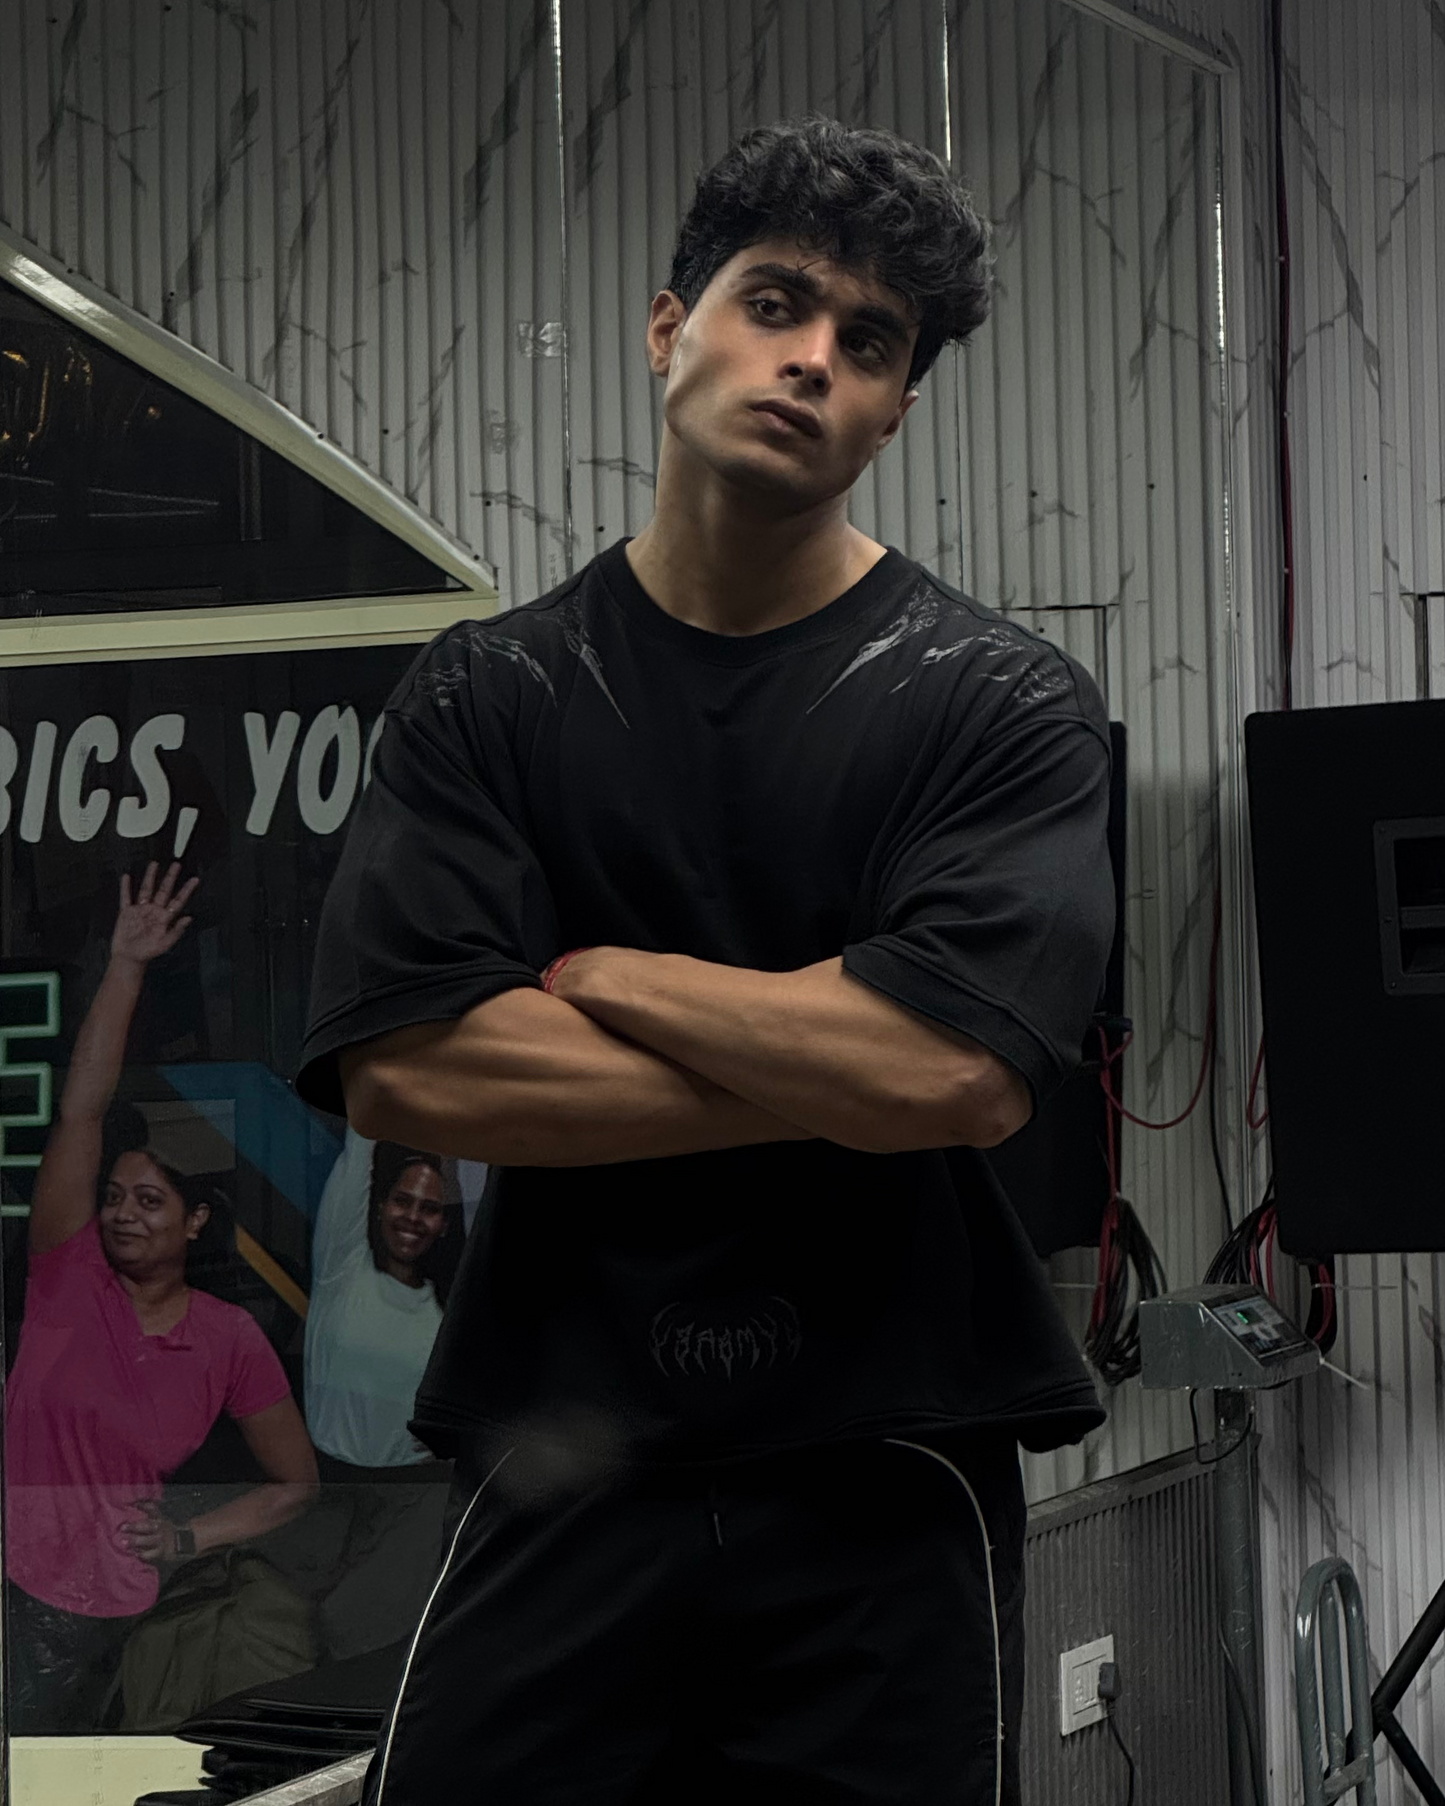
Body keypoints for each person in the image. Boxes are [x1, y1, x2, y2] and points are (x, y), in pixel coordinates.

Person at [297, 116, 1115, 1805]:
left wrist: (613, 978)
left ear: (896, 406)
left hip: (885, 1466)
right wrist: (832, 1055)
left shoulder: (1000, 704)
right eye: (777, 302)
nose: (811, 358)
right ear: (671, 325)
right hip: (560, 1451)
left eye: (867, 343)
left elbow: (955, 1074)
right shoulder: (488, 699)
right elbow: (416, 1069)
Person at [5, 862, 320, 1733]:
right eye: (113, 1196)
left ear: (195, 1222)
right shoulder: (67, 1278)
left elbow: (295, 1485)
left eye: (149, 1201)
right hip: (8, 1585)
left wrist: (188, 1539)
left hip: (116, 1612)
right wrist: (127, 965)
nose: (121, 1213)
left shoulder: (228, 1340)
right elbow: (82, 1110)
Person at [301, 1130, 462, 1660]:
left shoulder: (445, 1318)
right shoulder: (341, 1271)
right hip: (328, 1492)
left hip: (410, 1509)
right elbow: (358, 1147)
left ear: (443, 1224)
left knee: (378, 1647)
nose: (414, 1216)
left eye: (430, 1208)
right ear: (378, 1205)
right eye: (402, 1200)